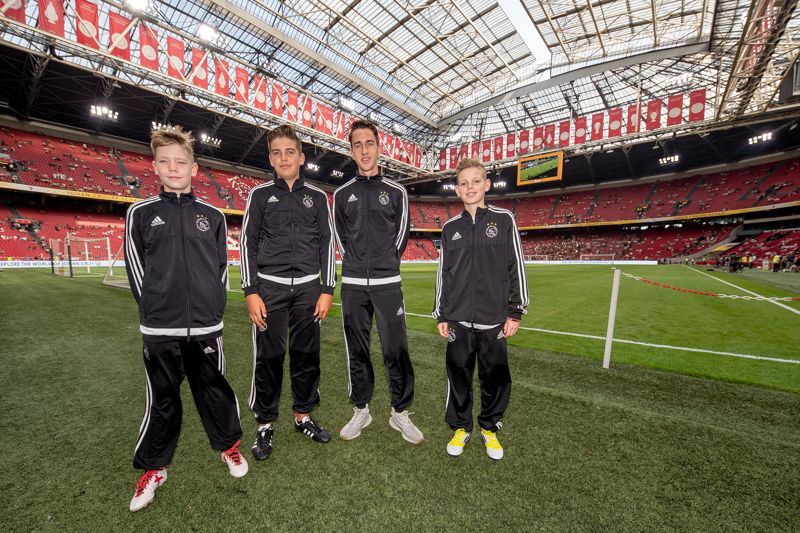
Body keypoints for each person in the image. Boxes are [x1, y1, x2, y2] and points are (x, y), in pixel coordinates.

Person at [124, 126, 247, 513]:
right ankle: (154, 469)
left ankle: (229, 447)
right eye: (165, 162)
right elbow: (136, 268)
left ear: (194, 168)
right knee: (162, 400)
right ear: (155, 167)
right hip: (160, 329)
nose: (173, 168)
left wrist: (214, 308)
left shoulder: (212, 216)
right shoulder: (140, 213)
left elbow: (221, 268)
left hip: (206, 327)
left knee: (215, 391)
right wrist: (152, 311)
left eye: (181, 162)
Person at [241, 125, 336, 459]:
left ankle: (303, 416)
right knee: (268, 358)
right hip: (269, 289)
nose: (284, 158)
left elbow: (327, 243)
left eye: (290, 152)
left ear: (301, 157)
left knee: (307, 355)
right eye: (277, 153)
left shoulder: (318, 198)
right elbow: (247, 243)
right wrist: (250, 291)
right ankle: (265, 424)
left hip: (309, 290)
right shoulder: (259, 195)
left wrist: (327, 288)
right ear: (270, 159)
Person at [332, 120, 423, 444]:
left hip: (387, 282)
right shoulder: (342, 194)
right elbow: (340, 236)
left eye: (369, 143)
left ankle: (400, 411)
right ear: (351, 151)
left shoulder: (397, 192)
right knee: (356, 350)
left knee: (395, 348)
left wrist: (385, 264)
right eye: (357, 145)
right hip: (353, 284)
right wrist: (356, 264)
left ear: (379, 147)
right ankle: (361, 409)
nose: (364, 150)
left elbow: (401, 235)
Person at [433, 158, 529, 460]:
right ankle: (461, 427)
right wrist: (442, 313)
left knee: (495, 379)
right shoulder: (450, 227)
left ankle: (489, 427)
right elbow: (443, 273)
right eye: (463, 183)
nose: (470, 187)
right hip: (459, 320)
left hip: (493, 320)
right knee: (458, 377)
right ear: (457, 190)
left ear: (486, 185)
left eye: (476, 181)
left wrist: (515, 310)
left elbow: (516, 265)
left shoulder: (504, 220)